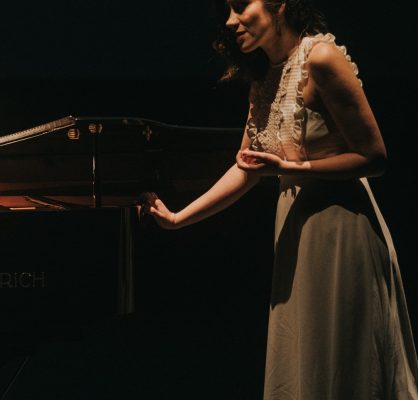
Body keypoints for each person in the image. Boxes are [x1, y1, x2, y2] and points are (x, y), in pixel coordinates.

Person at [147, 1, 418, 398]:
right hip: (297, 230)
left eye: (240, 5)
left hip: (341, 230)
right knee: (307, 362)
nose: (229, 20)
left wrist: (294, 170)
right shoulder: (263, 75)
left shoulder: (321, 58)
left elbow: (374, 157)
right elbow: (246, 166)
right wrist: (179, 218)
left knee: (347, 363)